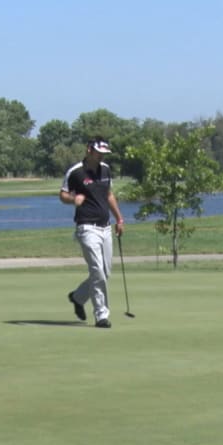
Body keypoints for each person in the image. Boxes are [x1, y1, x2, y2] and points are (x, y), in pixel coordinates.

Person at [60, 137, 125, 328]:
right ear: (89, 150)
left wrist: (119, 219)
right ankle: (101, 315)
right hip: (86, 227)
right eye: (99, 152)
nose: (102, 156)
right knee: (97, 271)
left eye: (104, 153)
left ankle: (78, 297)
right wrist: (73, 199)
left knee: (105, 272)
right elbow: (62, 194)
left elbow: (109, 195)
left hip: (105, 226)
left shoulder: (105, 169)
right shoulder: (75, 172)